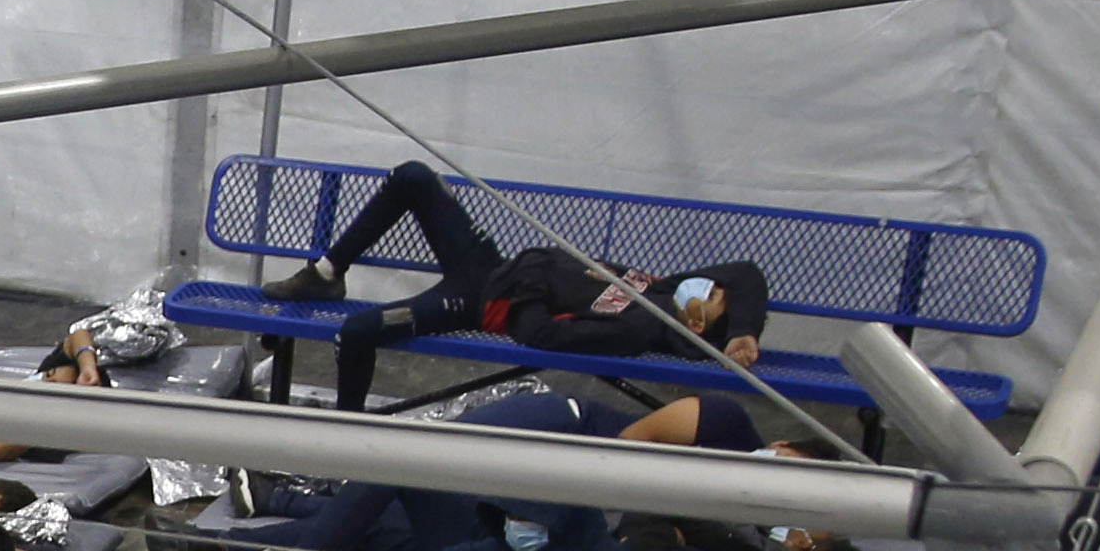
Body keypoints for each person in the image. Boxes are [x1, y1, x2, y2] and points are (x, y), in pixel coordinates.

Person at [285, 161, 771, 415]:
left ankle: (346, 445)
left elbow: (542, 334)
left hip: (477, 303)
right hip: (488, 265)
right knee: (413, 177)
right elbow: (746, 273)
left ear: (694, 324)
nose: (711, 284)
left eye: (711, 296)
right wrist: (744, 329)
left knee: (356, 330)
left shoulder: (639, 325)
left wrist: (532, 285)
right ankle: (326, 274)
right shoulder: (666, 290)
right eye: (714, 286)